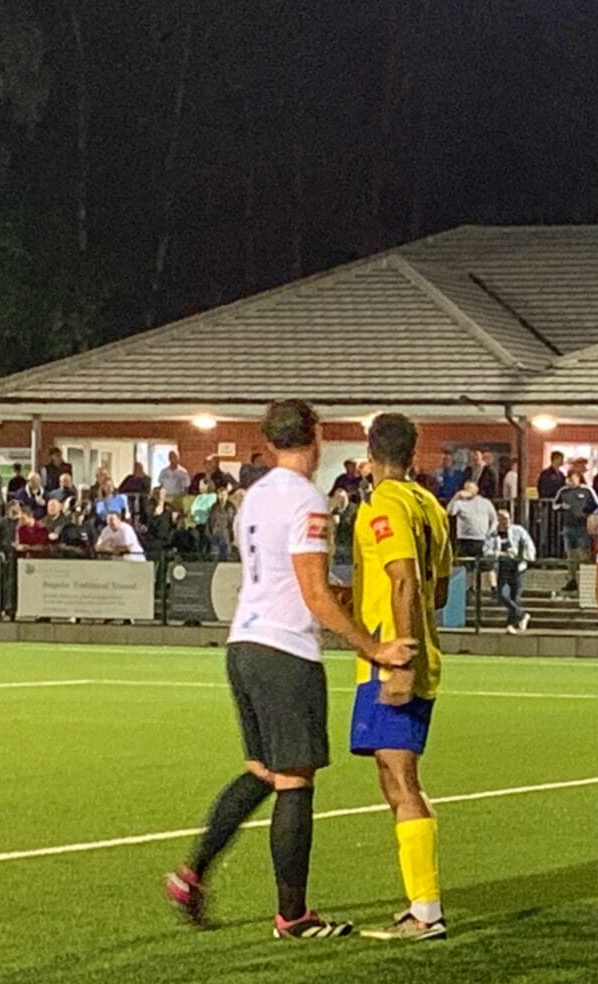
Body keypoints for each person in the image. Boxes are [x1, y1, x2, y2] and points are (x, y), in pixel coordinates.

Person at [164, 401, 412, 939]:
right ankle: (293, 916)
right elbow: (314, 593)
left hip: (244, 643)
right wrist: (372, 647)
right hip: (285, 650)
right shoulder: (306, 498)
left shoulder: (254, 495)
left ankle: (192, 873)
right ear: (316, 438)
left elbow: (279, 572)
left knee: (263, 771)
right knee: (295, 779)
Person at [351, 413, 456, 940]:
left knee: (402, 780)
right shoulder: (431, 507)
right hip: (417, 652)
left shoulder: (383, 505)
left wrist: (399, 661)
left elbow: (406, 582)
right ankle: (420, 903)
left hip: (391, 659)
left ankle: (426, 911)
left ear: (368, 455)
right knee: (394, 780)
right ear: (414, 455)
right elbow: (437, 590)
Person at [482, 508, 535, 628]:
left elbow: (528, 545)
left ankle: (510, 624)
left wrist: (526, 556)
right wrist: (500, 554)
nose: (505, 522)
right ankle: (522, 615)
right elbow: (486, 551)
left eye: (507, 519)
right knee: (502, 595)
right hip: (502, 567)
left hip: (517, 567)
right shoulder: (492, 534)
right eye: (502, 519)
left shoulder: (518, 530)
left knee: (515, 596)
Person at [448, 474, 496, 565]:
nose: (468, 491)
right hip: (464, 540)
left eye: (470, 488)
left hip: (481, 540)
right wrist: (455, 497)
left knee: (485, 567)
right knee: (463, 567)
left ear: (476, 489)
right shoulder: (459, 503)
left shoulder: (485, 502)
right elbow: (450, 512)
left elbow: (494, 519)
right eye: (466, 488)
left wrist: (490, 532)